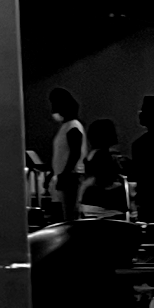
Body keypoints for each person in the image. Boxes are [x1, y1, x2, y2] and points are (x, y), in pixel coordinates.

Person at [47, 88, 85, 225]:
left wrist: (65, 173)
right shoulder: (66, 126)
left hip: (70, 177)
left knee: (69, 218)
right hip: (64, 176)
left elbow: (75, 152)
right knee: (65, 216)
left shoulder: (73, 126)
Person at [130, 95, 154, 223]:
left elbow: (149, 163)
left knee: (148, 217)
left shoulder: (153, 137)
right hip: (151, 182)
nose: (139, 114)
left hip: (149, 183)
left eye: (142, 111)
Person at [78, 118, 128, 218]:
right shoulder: (103, 156)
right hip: (105, 205)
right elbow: (103, 181)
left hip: (90, 202)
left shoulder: (92, 154)